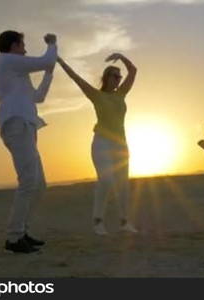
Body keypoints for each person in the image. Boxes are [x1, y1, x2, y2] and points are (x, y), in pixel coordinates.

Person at [57, 53, 138, 235]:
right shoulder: (96, 95)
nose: (118, 80)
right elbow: (75, 78)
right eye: (115, 76)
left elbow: (133, 70)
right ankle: (97, 221)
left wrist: (120, 56)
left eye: (119, 77)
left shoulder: (121, 94)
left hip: (121, 145)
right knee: (107, 180)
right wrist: (60, 60)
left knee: (123, 184)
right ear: (106, 78)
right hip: (102, 142)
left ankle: (125, 222)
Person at [0, 30, 58, 253]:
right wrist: (52, 43)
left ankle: (22, 232)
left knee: (39, 185)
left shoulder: (18, 73)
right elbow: (47, 59)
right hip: (16, 125)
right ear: (13, 46)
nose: (25, 49)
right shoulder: (8, 61)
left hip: (26, 126)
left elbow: (38, 97)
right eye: (23, 44)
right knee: (28, 181)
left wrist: (49, 72)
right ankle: (13, 238)